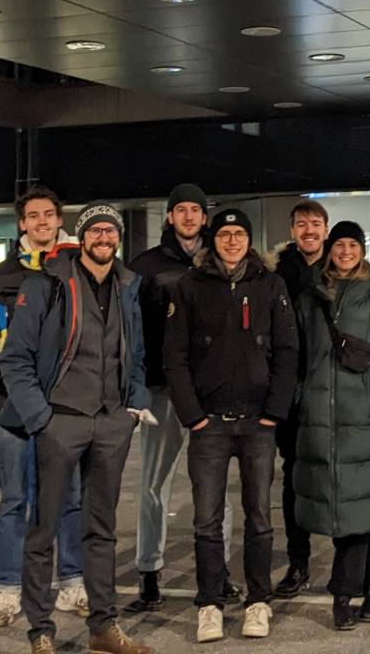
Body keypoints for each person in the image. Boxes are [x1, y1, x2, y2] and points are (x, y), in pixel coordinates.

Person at [0, 204, 155, 654]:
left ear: (118, 238)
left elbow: (137, 354)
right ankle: (41, 632)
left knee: (101, 529)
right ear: (82, 237)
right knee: (43, 528)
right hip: (59, 420)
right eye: (96, 230)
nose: (104, 238)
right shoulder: (46, 284)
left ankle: (104, 627)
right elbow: (16, 359)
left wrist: (132, 406)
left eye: (111, 231)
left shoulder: (127, 286)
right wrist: (40, 419)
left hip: (110, 422)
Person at [165, 207, 299, 642]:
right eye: (224, 234)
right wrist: (194, 417)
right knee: (206, 519)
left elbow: (287, 350)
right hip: (210, 425)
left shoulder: (270, 284)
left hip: (259, 422)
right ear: (214, 239)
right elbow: (175, 356)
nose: (232, 241)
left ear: (248, 239)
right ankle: (209, 603)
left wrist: (274, 410)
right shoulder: (190, 286)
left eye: (239, 234)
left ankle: (258, 602)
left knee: (259, 516)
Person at [0, 186, 88, 628]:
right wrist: (3, 383)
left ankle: (73, 584)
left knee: (71, 498)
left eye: (49, 215)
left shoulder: (76, 270)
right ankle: (8, 590)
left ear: (59, 221)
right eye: (33, 215)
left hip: (66, 408)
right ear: (22, 223)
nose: (41, 222)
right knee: (14, 500)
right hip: (15, 410)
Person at [292, 220, 370, 631]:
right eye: (338, 244)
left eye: (352, 245)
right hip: (318, 421)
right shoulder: (310, 299)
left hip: (362, 420)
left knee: (354, 507)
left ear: (362, 251)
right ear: (330, 250)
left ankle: (343, 594)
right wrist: (300, 398)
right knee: (345, 505)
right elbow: (296, 354)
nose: (344, 252)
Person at [128, 183, 235, 612]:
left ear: (205, 217)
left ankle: (220, 571)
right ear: (170, 217)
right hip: (160, 388)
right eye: (181, 210)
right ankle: (149, 572)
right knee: (154, 484)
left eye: (196, 210)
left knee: (215, 487)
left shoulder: (223, 261)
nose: (189, 216)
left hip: (211, 389)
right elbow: (131, 331)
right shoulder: (145, 266)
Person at [265, 199, 328, 597]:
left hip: (331, 388)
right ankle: (298, 561)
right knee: (293, 475)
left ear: (326, 229)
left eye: (315, 223)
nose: (308, 230)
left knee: (337, 473)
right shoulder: (274, 275)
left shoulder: (343, 268)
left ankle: (354, 565)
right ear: (292, 230)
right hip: (288, 390)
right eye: (302, 224)